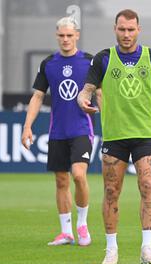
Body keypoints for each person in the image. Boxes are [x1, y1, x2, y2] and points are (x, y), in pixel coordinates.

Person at [78, 9, 151, 264]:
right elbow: (86, 89)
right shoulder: (103, 59)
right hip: (115, 135)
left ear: (138, 30)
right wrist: (83, 100)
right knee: (111, 191)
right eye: (121, 29)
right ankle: (111, 249)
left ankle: (147, 248)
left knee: (147, 185)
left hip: (145, 133)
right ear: (115, 29)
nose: (126, 34)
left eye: (131, 29)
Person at [21, 17, 97, 247]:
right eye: (61, 35)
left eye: (69, 35)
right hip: (57, 132)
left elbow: (101, 93)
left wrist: (103, 111)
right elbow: (37, 96)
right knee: (61, 180)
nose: (65, 39)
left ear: (77, 36)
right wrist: (27, 127)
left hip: (82, 129)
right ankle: (66, 232)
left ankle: (82, 224)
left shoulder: (89, 62)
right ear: (57, 36)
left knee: (78, 175)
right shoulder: (48, 64)